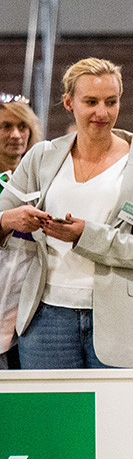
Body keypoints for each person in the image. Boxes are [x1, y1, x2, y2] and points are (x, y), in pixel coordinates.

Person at [0, 58, 133, 369]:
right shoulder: (41, 157)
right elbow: (3, 214)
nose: (102, 112)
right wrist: (8, 220)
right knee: (52, 418)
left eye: (111, 101)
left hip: (122, 322)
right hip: (46, 319)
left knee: (122, 416)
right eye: (91, 102)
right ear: (69, 103)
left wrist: (85, 236)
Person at [0, 94, 43, 369]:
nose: (16, 135)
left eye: (22, 126)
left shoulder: (45, 178)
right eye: (6, 126)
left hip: (29, 310)